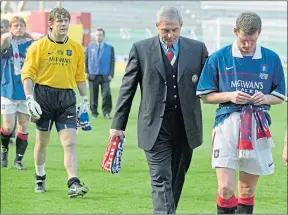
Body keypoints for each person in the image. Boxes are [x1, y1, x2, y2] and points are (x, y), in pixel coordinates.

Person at [109, 6, 208, 214]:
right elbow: (127, 89)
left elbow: (212, 84)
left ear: (181, 27)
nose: (170, 35)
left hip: (186, 127)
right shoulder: (141, 49)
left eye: (174, 30)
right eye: (165, 30)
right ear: (157, 27)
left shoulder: (198, 50)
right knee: (161, 177)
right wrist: (118, 126)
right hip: (154, 126)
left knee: (176, 178)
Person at [196, 12, 286, 214]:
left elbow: (279, 96)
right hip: (226, 123)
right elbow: (204, 95)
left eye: (252, 40)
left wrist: (265, 98)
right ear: (235, 32)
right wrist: (229, 95)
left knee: (246, 189)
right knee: (226, 188)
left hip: (257, 125)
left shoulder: (271, 58)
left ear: (259, 34)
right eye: (243, 40)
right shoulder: (219, 57)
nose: (247, 45)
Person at [21, 7, 89, 198]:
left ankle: (73, 182)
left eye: (66, 21)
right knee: (42, 142)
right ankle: (40, 176)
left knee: (70, 142)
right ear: (50, 24)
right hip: (43, 96)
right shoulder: (38, 46)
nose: (64, 24)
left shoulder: (76, 48)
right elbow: (28, 74)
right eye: (60, 21)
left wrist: (84, 100)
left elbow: (80, 77)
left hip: (67, 97)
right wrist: (29, 97)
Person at [1, 16, 41, 170]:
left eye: (21, 26)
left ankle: (18, 160)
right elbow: (4, 38)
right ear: (10, 28)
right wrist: (12, 33)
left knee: (23, 126)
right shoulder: (6, 44)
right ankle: (4, 151)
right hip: (8, 91)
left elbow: (42, 38)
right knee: (8, 127)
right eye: (15, 26)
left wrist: (27, 34)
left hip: (25, 92)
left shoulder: (29, 45)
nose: (19, 28)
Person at [85, 28, 115, 119]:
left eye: (100, 35)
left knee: (106, 94)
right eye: (97, 35)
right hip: (93, 74)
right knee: (93, 95)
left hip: (105, 75)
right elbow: (86, 60)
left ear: (103, 36)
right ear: (95, 36)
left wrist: (111, 73)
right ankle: (94, 113)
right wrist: (86, 71)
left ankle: (106, 112)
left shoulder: (110, 48)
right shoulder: (90, 47)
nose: (98, 36)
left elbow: (112, 62)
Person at [1, 18, 17, 146]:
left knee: (11, 111)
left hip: (5, 82)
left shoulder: (9, 43)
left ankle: (10, 135)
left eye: (1, 27)